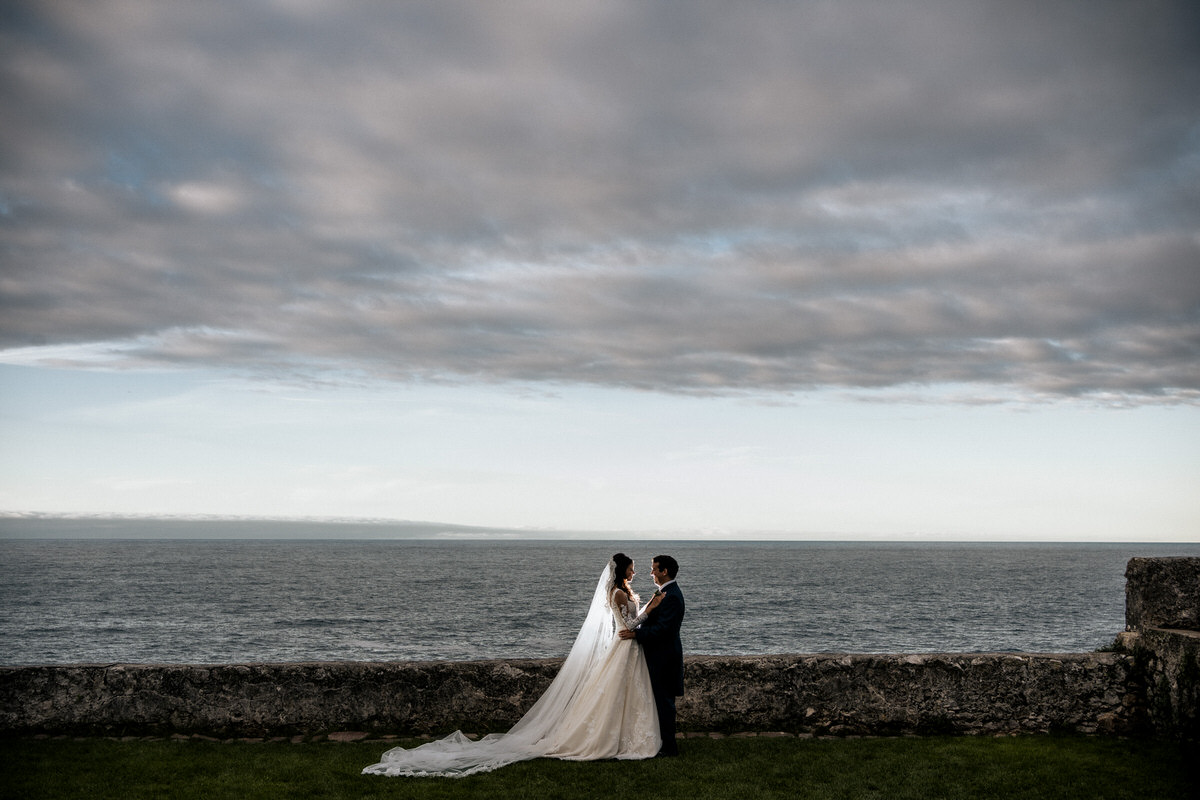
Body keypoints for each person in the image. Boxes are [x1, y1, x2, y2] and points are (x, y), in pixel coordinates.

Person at [362, 553, 664, 778]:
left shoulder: (622, 591)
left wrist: (645, 611)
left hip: (628, 647)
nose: (635, 571)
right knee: (615, 695)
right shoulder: (619, 593)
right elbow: (626, 625)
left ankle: (624, 737)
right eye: (632, 567)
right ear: (621, 569)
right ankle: (613, 739)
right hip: (625, 645)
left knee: (621, 695)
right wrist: (649, 609)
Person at [618, 554, 684, 756]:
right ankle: (660, 743)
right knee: (658, 702)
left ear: (664, 571)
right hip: (658, 657)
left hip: (664, 659)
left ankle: (669, 748)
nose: (651, 573)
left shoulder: (672, 595)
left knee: (664, 704)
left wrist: (636, 633)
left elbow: (664, 630)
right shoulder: (664, 592)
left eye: (654, 569)